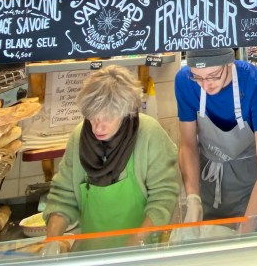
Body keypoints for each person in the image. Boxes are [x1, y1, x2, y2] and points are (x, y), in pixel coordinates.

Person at [43, 66, 180, 251]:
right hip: (92, 254)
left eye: (107, 118)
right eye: (92, 118)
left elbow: (163, 197)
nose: (97, 128)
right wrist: (52, 241)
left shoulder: (148, 134)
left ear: (126, 112)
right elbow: (63, 196)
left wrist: (136, 242)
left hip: (142, 253)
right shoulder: (79, 137)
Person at [175, 47, 257, 232]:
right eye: (198, 77)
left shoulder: (254, 83)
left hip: (251, 189)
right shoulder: (184, 81)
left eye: (213, 76)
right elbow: (188, 145)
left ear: (229, 62)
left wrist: (245, 231)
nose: (206, 85)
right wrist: (193, 199)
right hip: (207, 186)